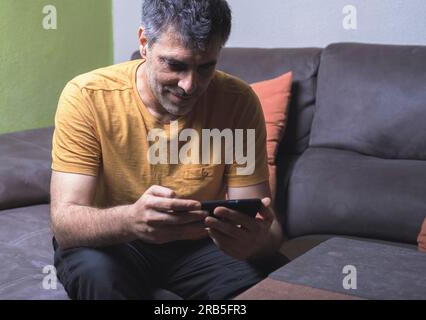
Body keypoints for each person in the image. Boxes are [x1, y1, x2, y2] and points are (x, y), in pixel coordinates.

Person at [50, 0, 287, 300]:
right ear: (144, 43)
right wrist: (131, 220)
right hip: (114, 241)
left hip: (200, 246)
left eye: (205, 67)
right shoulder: (86, 97)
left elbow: (265, 230)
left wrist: (254, 243)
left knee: (276, 289)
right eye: (175, 65)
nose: (189, 85)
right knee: (96, 277)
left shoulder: (238, 102)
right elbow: (65, 225)